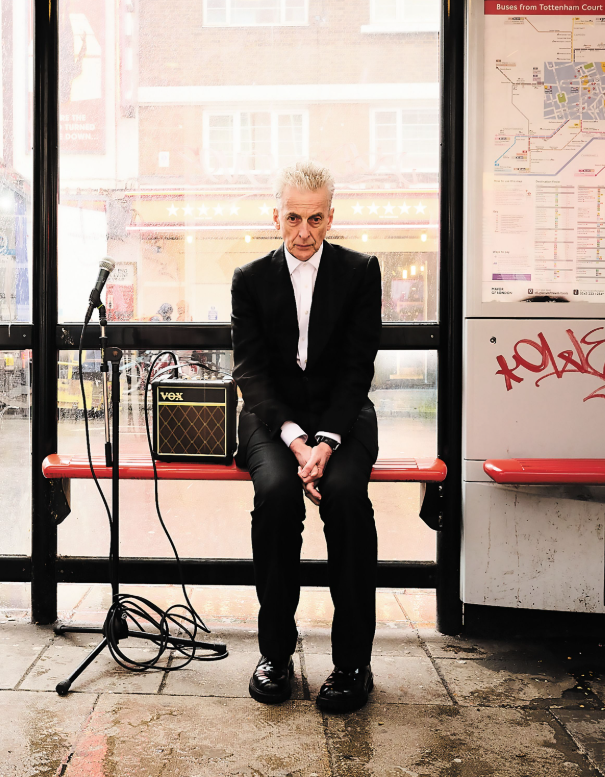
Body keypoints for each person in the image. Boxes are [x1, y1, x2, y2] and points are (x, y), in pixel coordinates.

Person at [231, 160, 382, 712]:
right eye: (293, 217)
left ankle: (352, 665)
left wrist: (327, 442)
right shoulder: (249, 280)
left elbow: (356, 368)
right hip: (274, 421)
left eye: (315, 219)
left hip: (343, 418)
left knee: (344, 498)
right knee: (274, 496)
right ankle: (275, 655)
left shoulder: (361, 271)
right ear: (276, 216)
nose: (303, 231)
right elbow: (251, 372)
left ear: (330, 217)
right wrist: (297, 441)